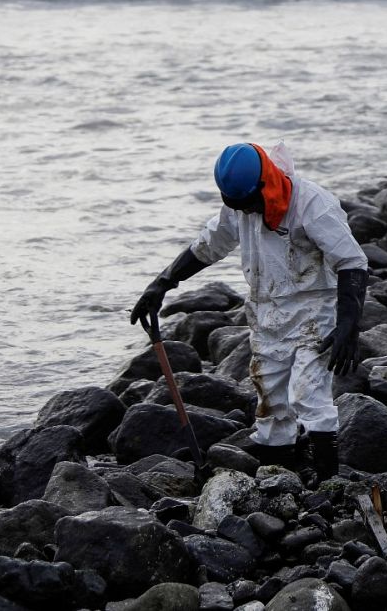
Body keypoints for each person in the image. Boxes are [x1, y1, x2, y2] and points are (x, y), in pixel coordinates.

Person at [129, 143, 368, 479]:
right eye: (238, 206)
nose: (247, 211)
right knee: (268, 391)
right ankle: (279, 463)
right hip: (265, 310)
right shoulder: (241, 207)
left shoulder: (313, 205)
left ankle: (327, 479)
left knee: (308, 391)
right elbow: (208, 245)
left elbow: (352, 262)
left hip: (315, 309)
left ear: (265, 185)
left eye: (250, 203)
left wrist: (348, 326)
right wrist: (162, 283)